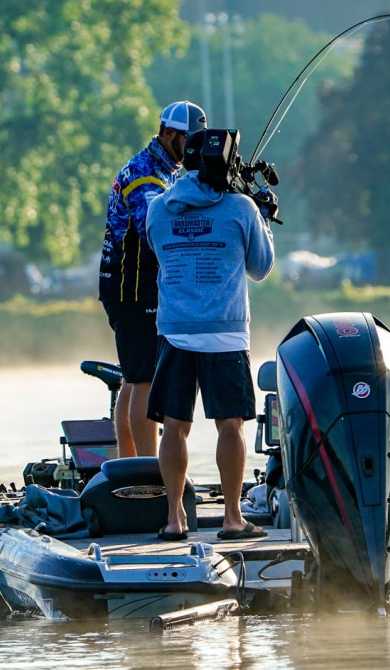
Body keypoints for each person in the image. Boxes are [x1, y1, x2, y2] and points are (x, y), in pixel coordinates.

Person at [145, 130, 275, 541]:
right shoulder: (242, 208)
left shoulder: (158, 208)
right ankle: (233, 518)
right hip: (226, 335)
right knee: (230, 427)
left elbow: (158, 253)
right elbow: (261, 268)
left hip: (175, 331)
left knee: (173, 427)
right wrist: (262, 218)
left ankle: (174, 519)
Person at [98, 101, 206, 458]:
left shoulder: (167, 171)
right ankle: (146, 469)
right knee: (142, 378)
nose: (196, 148)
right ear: (170, 133)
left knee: (134, 378)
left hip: (138, 284)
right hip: (130, 287)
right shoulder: (145, 174)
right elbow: (155, 232)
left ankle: (128, 464)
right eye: (191, 140)